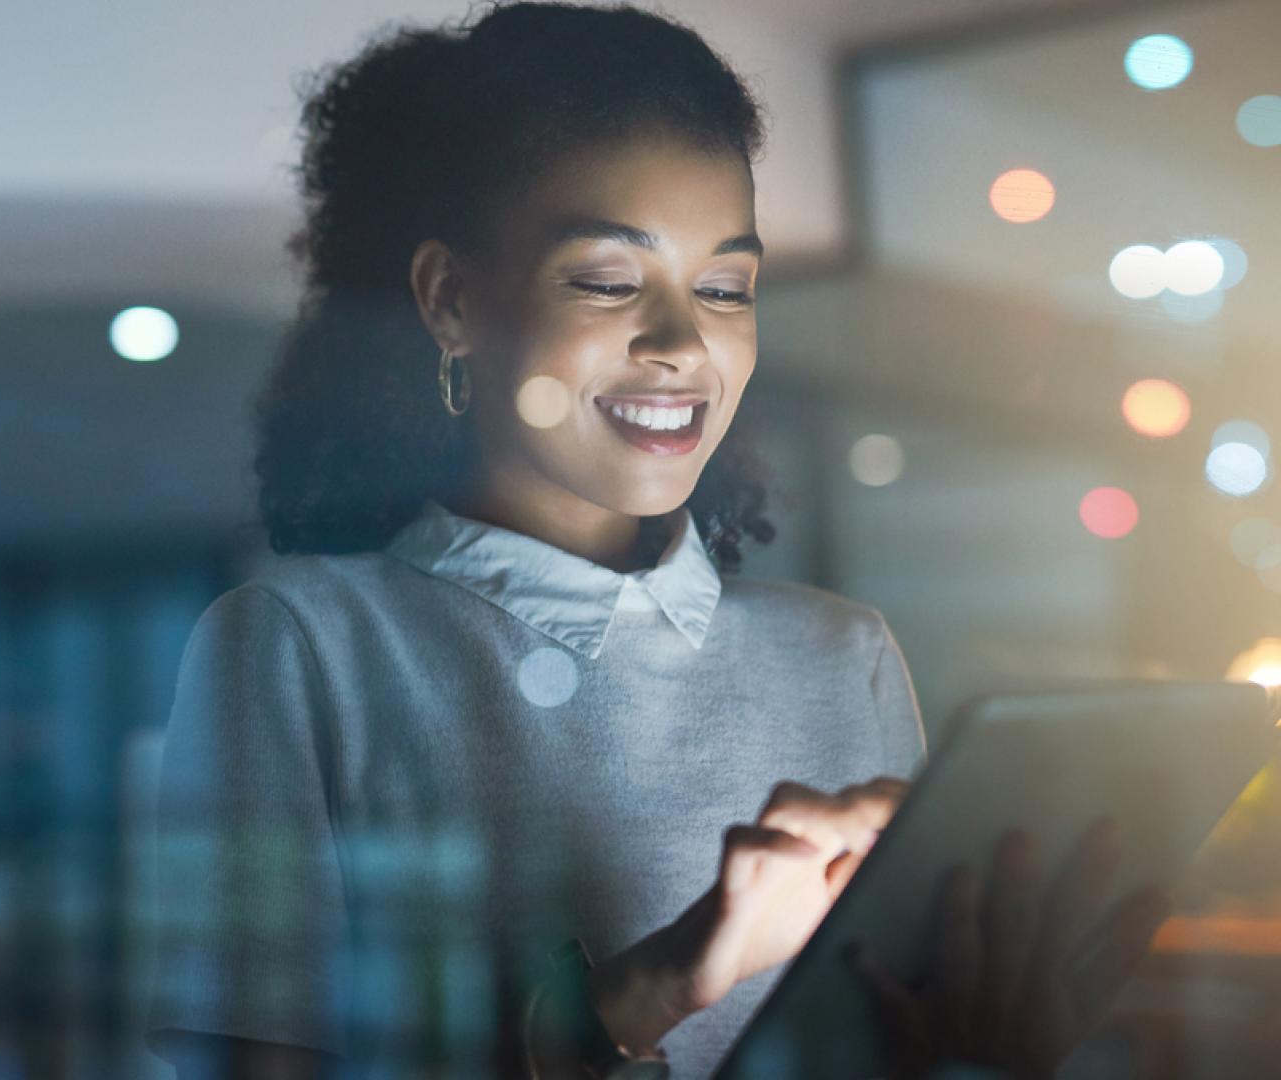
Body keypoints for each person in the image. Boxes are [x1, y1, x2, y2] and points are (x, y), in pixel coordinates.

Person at [140, 3, 1165, 1077]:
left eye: (724, 288)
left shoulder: (838, 655)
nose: (682, 343)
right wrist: (654, 989)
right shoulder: (298, 645)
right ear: (448, 301)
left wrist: (993, 1051)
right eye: (605, 281)